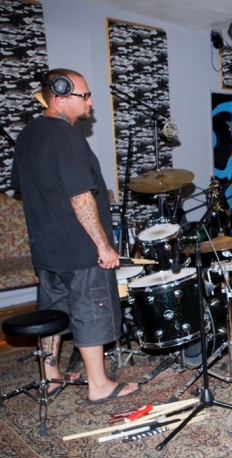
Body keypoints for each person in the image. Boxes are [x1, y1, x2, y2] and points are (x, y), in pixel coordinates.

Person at [10, 68, 139, 404]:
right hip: (80, 250)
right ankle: (99, 385)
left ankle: (51, 378)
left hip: (46, 248)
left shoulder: (27, 135)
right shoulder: (67, 138)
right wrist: (103, 245)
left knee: (52, 311)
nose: (90, 102)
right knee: (91, 310)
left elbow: (26, 188)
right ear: (60, 96)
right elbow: (80, 197)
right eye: (85, 95)